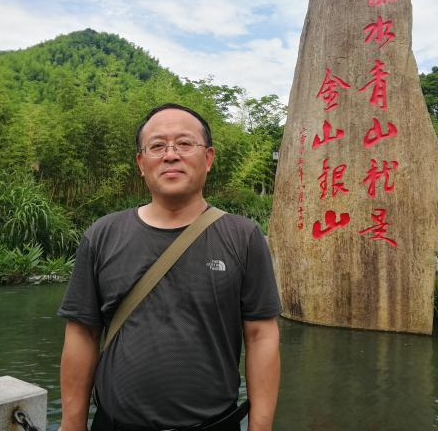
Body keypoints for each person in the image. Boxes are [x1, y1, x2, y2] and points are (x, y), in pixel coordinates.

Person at [58, 103, 282, 431]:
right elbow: (82, 332)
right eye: (158, 146)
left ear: (208, 158)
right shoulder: (103, 235)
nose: (171, 155)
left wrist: (260, 428)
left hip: (214, 425)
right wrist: (72, 423)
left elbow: (261, 336)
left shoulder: (243, 237)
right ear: (141, 163)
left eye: (185, 143)